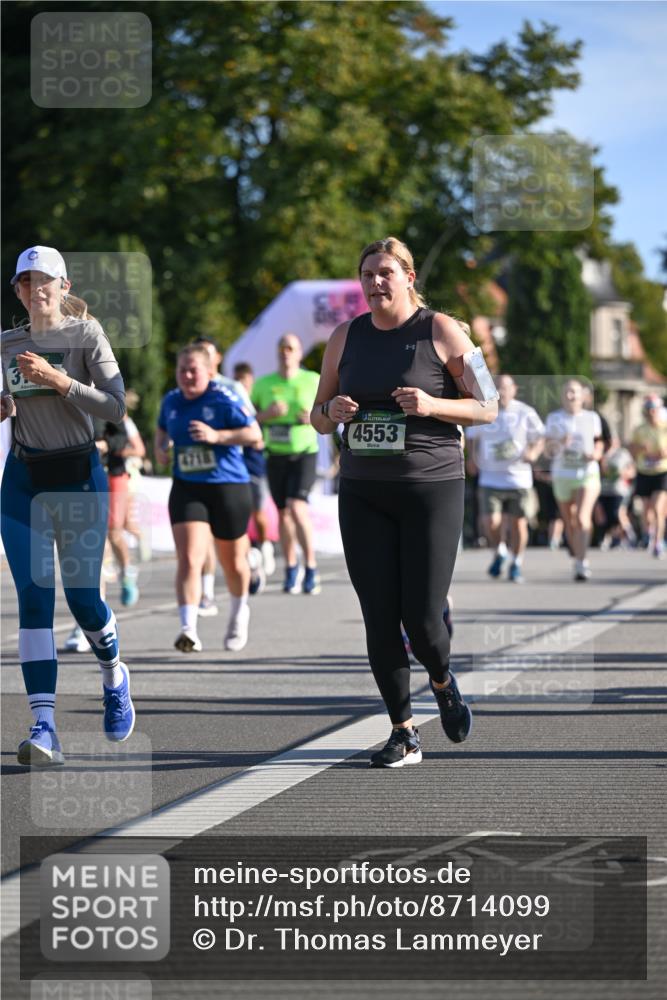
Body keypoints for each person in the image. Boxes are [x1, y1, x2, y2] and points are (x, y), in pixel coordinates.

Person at [311, 236, 498, 768]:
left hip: (431, 489)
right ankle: (403, 731)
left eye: (386, 273)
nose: (375, 282)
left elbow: (489, 407)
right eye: (368, 274)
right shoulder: (345, 336)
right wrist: (334, 411)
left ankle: (442, 681)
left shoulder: (441, 329)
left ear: (409, 278)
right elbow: (316, 416)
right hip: (364, 491)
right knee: (378, 617)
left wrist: (432, 403)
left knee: (421, 620)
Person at [0, 245, 135, 765]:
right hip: (24, 480)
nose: (36, 290)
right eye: (26, 282)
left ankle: (113, 673)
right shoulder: (7, 344)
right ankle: (44, 726)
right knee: (33, 600)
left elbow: (117, 406)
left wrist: (61, 382)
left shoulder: (87, 335)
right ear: (17, 290)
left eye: (45, 281)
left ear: (65, 286)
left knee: (82, 600)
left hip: (78, 476)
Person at [155, 344, 262, 652]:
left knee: (233, 563)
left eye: (193, 370)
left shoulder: (223, 398)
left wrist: (218, 437)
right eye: (182, 370)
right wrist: (161, 448)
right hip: (188, 486)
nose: (187, 376)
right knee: (190, 558)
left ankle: (239, 612)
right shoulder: (171, 401)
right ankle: (188, 628)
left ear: (209, 372)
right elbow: (162, 429)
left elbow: (254, 434)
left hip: (228, 486)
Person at [252, 334, 321, 595]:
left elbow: (327, 411)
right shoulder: (263, 384)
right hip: (275, 453)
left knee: (297, 507)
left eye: (291, 348)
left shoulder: (312, 379)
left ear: (300, 352)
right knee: (282, 512)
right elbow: (248, 419)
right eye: (282, 348)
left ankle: (311, 567)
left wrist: (313, 416)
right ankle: (291, 567)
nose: (286, 352)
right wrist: (267, 415)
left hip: (304, 451)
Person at [466, 374, 544, 583]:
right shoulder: (484, 410)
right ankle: (500, 551)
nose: (501, 392)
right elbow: (471, 438)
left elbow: (539, 438)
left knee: (519, 524)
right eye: (497, 388)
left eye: (505, 388)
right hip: (490, 477)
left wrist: (534, 454)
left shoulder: (525, 413)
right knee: (490, 521)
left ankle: (516, 563)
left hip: (519, 479)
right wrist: (471, 459)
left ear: (514, 390)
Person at [544, 379, 604, 580]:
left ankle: (581, 562)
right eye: (567, 391)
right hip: (562, 474)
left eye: (575, 392)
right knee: (569, 521)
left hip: (587, 473)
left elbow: (599, 443)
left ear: (583, 396)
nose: (571, 395)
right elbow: (547, 450)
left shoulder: (591, 417)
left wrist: (596, 454)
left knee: (581, 517)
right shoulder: (554, 418)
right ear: (562, 396)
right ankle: (577, 556)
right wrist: (560, 443)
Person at [233, 361, 276, 579]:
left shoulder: (257, 402)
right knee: (241, 511)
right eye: (238, 380)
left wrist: (267, 414)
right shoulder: (233, 401)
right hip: (238, 464)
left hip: (256, 463)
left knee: (258, 512)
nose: (242, 384)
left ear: (251, 381)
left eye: (245, 380)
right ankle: (250, 552)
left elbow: (257, 425)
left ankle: (265, 544)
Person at [629, 394, 667, 559]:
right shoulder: (639, 429)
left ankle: (658, 543)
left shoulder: (665, 427)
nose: (652, 412)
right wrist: (641, 449)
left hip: (662, 471)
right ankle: (649, 533)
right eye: (649, 409)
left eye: (654, 409)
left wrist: (664, 454)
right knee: (646, 509)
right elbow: (631, 450)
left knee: (658, 508)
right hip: (644, 471)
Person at [596, 435, 636, 549]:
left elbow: (632, 471)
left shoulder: (623, 454)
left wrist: (622, 474)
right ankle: (608, 538)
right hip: (603, 490)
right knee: (604, 516)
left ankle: (629, 536)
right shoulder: (602, 453)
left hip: (619, 490)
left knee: (618, 513)